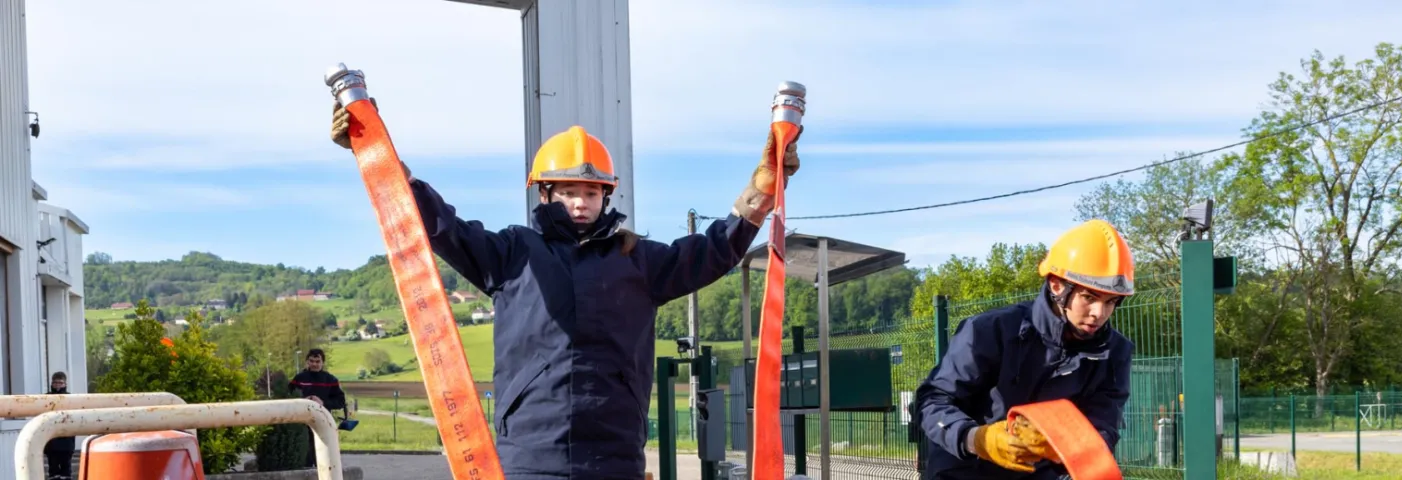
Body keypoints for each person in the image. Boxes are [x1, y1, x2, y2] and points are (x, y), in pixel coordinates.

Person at [328, 100, 800, 479]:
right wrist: (385, 164)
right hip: (530, 457)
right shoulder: (513, 252)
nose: (581, 202)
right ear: (545, 194)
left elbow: (712, 251)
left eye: (592, 193)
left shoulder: (636, 259)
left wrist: (759, 194)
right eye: (569, 191)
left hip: (614, 458)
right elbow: (443, 227)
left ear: (607, 197)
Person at [915, 219, 1136, 479]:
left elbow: (1103, 427)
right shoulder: (989, 331)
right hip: (966, 470)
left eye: (1111, 302)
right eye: (1089, 297)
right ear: (1057, 285)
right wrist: (977, 439)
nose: (1099, 313)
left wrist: (1060, 446)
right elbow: (931, 401)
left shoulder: (1114, 353)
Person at [289, 349, 347, 468]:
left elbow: (340, 401)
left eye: (317, 361)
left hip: (323, 423)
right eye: (312, 361)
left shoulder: (330, 380)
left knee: (323, 458)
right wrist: (303, 400)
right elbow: (288, 396)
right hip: (302, 423)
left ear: (322, 362)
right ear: (307, 362)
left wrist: (323, 402)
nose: (315, 364)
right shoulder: (299, 378)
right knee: (305, 457)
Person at [44, 372, 75, 480]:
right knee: (53, 470)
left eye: (60, 383)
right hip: (51, 440)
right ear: (51, 383)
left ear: (65, 384)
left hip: (66, 440)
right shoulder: (45, 398)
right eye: (55, 382)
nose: (58, 385)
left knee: (66, 470)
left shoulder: (70, 398)